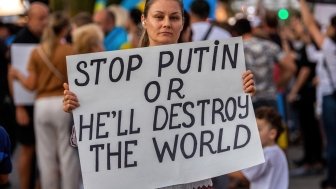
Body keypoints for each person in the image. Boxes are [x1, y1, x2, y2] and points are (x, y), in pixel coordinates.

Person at [63, 0, 256, 188]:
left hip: (190, 178)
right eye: (158, 16)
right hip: (142, 179)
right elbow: (88, 139)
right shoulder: (118, 73)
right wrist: (80, 109)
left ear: (182, 22)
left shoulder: (205, 68)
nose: (166, 24)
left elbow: (221, 123)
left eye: (174, 17)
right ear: (144, 20)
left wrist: (240, 93)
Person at [10, 12, 81, 189]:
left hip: (41, 105)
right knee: (67, 153)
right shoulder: (70, 51)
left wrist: (17, 74)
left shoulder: (36, 52)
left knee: (46, 155)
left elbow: (31, 84)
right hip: (63, 104)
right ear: (64, 29)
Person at [8, 2, 49, 189]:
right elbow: (12, 75)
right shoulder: (21, 40)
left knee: (43, 151)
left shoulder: (46, 38)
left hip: (41, 102)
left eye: (47, 17)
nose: (45, 22)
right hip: (27, 104)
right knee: (27, 150)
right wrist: (20, 107)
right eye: (41, 18)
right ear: (30, 19)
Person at [299, 0, 336, 188]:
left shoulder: (329, 47)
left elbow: (310, 25)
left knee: (332, 142)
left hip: (330, 97)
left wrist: (303, 4)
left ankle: (332, 180)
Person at [228, 106, 288, 189]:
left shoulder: (265, 154)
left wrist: (222, 167)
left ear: (272, 134)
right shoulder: (278, 152)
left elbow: (244, 176)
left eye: (258, 129)